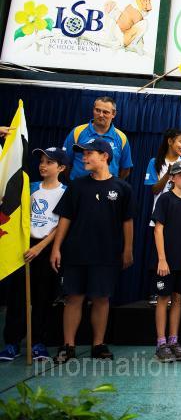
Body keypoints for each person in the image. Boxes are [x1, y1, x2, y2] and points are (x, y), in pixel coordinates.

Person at [50, 138, 135, 363]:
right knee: (73, 298)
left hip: (107, 254)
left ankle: (98, 344)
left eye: (89, 154)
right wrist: (56, 247)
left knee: (101, 298)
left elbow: (127, 221)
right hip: (76, 252)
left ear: (105, 156)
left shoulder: (122, 188)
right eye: (83, 154)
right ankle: (68, 346)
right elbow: (65, 218)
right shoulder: (77, 185)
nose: (84, 158)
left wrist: (128, 249)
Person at [0, 148, 67, 362]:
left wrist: (40, 247)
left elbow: (61, 225)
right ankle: (12, 342)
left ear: (61, 167)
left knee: (43, 297)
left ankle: (38, 342)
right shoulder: (30, 188)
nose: (43, 165)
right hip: (24, 246)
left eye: (49, 162)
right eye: (41, 161)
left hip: (46, 248)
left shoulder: (65, 192)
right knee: (17, 296)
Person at [144, 128, 181, 304]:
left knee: (178, 256)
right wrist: (169, 173)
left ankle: (174, 291)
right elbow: (153, 189)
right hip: (160, 218)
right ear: (170, 141)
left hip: (179, 218)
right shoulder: (155, 162)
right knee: (159, 257)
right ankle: (158, 291)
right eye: (180, 141)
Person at [151, 161, 181, 363]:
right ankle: (161, 343)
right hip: (166, 261)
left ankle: (173, 341)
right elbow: (158, 229)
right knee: (163, 298)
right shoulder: (165, 199)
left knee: (178, 299)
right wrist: (162, 259)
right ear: (172, 178)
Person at [62, 96, 133, 180]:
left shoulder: (122, 138)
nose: (101, 115)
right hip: (77, 185)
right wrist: (71, 183)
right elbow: (64, 162)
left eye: (105, 112)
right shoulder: (77, 132)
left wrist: (115, 184)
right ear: (93, 110)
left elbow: (126, 168)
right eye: (98, 110)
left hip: (108, 187)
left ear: (113, 114)